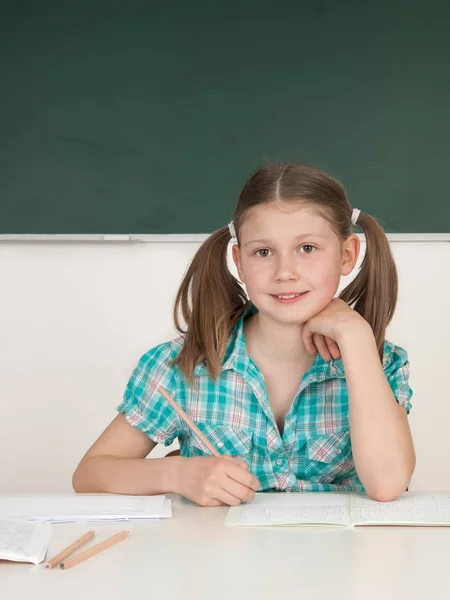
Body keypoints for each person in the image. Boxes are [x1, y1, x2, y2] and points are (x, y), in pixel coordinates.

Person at [73, 163, 415, 506]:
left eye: (307, 248)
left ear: (347, 255)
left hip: (348, 558)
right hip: (219, 558)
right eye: (263, 252)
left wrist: (355, 335)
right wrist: (177, 475)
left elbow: (387, 485)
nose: (285, 272)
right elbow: (89, 474)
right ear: (239, 261)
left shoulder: (380, 362)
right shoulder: (183, 365)